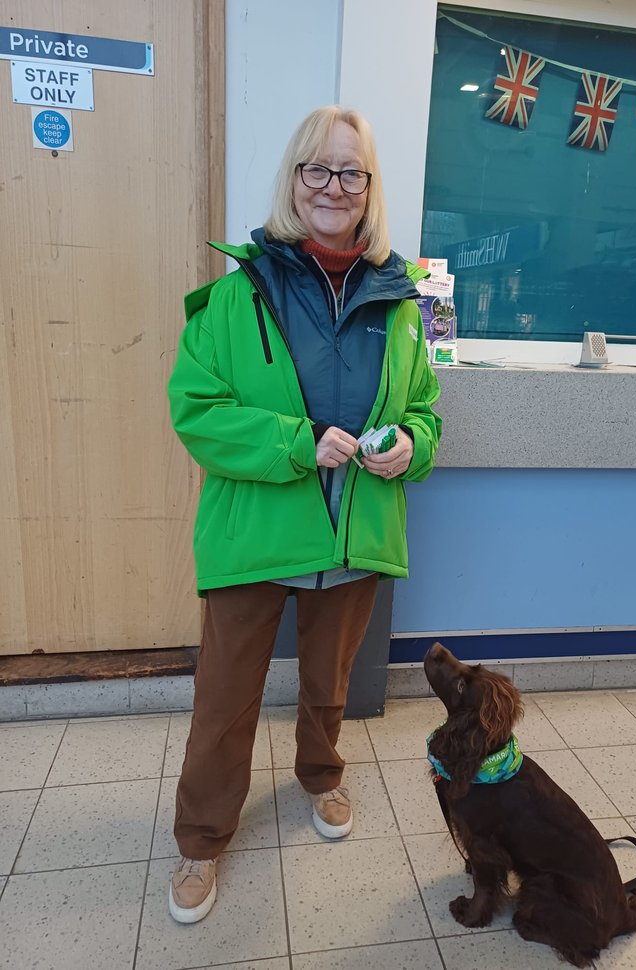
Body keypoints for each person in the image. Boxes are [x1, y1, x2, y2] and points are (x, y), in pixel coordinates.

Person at [166, 104, 442, 923]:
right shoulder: (234, 295)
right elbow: (198, 413)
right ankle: (201, 839)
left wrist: (412, 448)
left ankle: (321, 778)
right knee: (224, 701)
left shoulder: (400, 304)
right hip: (257, 533)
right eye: (316, 170)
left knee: (329, 685)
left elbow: (424, 409)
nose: (333, 186)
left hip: (354, 534)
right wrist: (296, 442)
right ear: (294, 181)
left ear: (369, 188)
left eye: (350, 172)